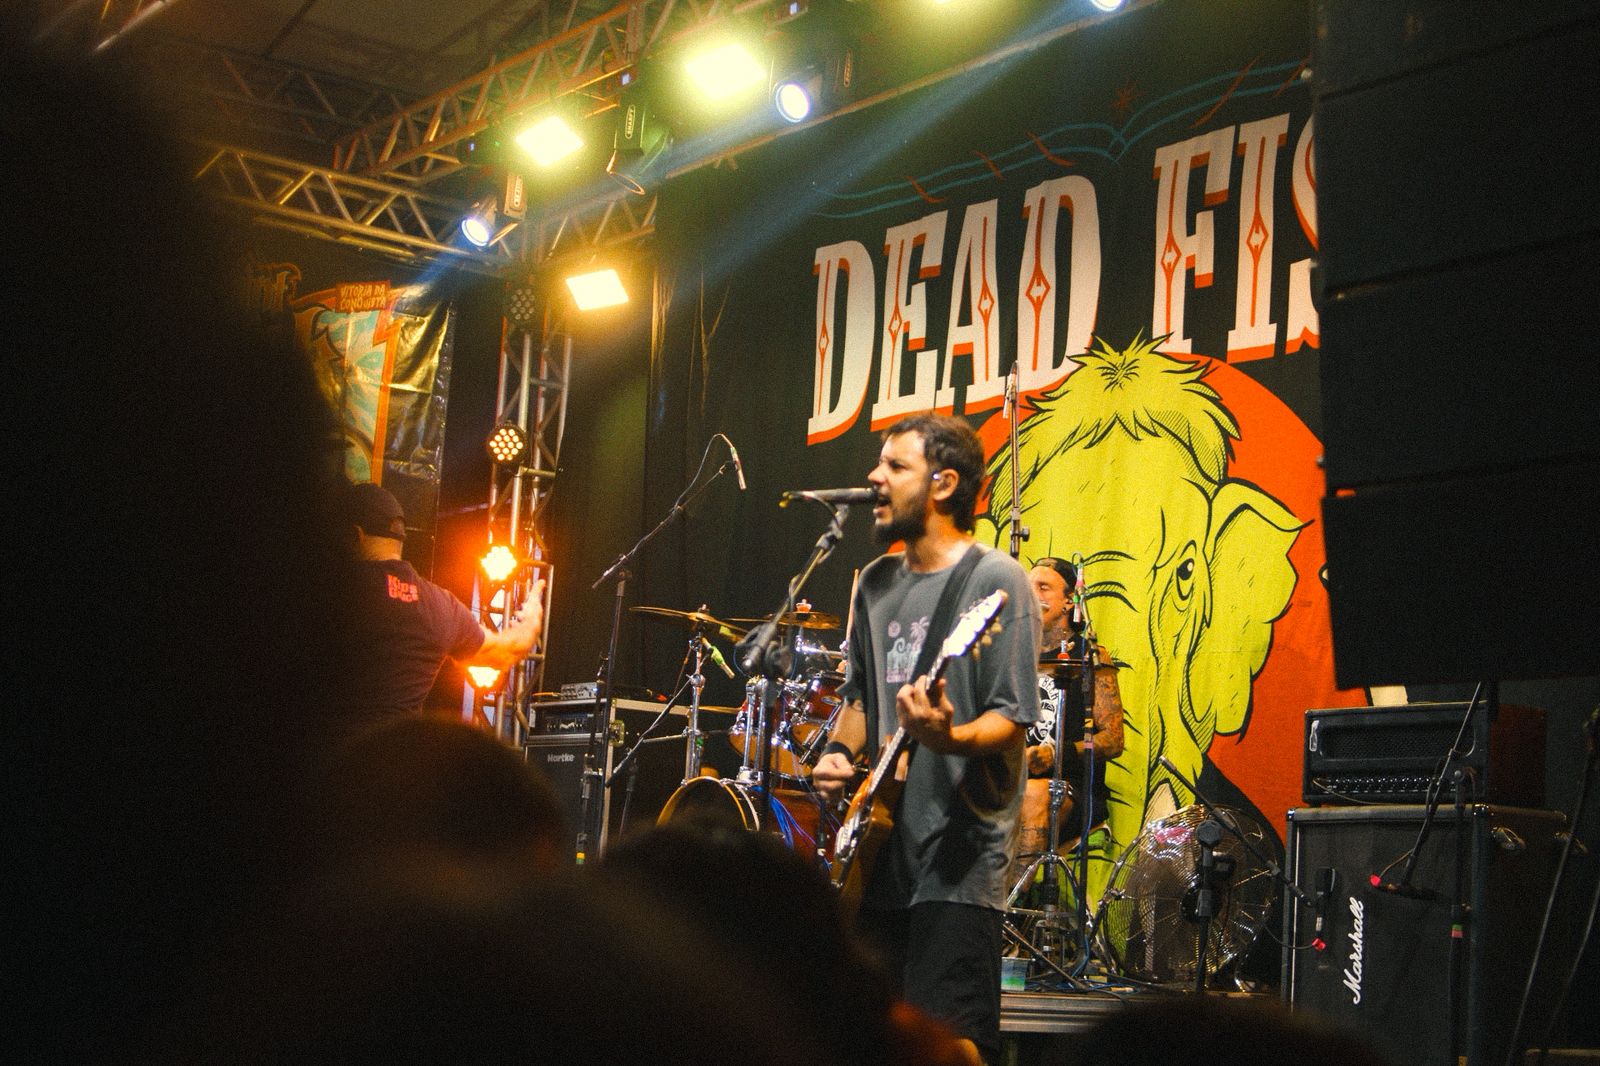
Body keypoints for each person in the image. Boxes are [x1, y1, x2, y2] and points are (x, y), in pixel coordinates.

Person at [812, 412, 1041, 1065]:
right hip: (879, 850)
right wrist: (839, 753)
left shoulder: (995, 580)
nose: (874, 477)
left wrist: (949, 735)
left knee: (952, 1045)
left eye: (895, 466)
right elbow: (860, 699)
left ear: (943, 484)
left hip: (960, 856)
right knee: (875, 1041)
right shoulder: (873, 583)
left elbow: (1012, 717)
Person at [340, 479, 545, 722]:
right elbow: (505, 651)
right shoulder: (440, 605)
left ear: (354, 535)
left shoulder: (339, 589)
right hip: (396, 746)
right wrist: (532, 619)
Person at [1019, 557, 1125, 866]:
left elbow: (1113, 740)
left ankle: (1016, 897)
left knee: (1034, 794)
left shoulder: (1090, 656)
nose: (1032, 594)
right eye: (1028, 587)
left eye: (1043, 587)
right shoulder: (1013, 656)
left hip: (1071, 790)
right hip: (1014, 783)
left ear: (1069, 602)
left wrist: (1056, 754)